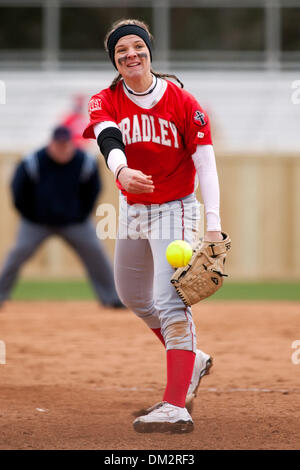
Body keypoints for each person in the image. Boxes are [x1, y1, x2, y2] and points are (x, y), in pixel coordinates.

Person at [83, 19, 223, 433]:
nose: (130, 55)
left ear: (149, 53)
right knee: (132, 296)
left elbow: (206, 163)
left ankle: (175, 405)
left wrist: (212, 224)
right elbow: (108, 137)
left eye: (137, 48)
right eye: (121, 50)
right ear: (114, 60)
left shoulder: (181, 101)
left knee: (168, 299)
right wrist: (121, 170)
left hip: (176, 208)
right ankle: (192, 359)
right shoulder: (104, 99)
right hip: (133, 209)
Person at [0, 126, 123, 309]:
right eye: (58, 145)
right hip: (36, 222)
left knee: (96, 254)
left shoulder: (85, 162)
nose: (62, 149)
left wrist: (81, 214)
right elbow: (18, 191)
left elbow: (93, 191)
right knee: (17, 254)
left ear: (71, 144)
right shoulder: (33, 161)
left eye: (66, 145)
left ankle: (112, 298)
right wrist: (31, 215)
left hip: (75, 222)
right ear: (51, 144)